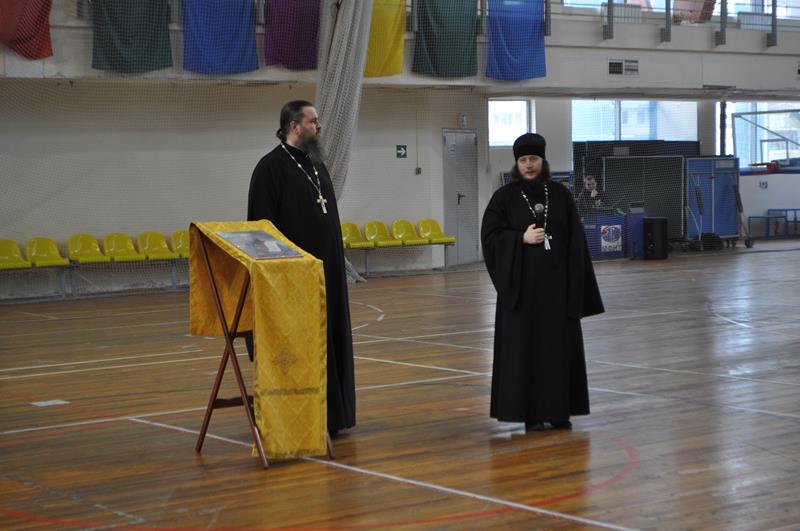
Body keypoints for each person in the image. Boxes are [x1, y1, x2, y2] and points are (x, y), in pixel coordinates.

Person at [481, 133, 604, 431]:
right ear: (516, 164)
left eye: (533, 159)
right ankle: (531, 415)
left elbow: (576, 243)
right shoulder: (503, 198)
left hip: (557, 292)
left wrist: (577, 288)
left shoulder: (560, 195)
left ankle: (560, 412)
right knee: (526, 354)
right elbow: (490, 238)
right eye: (523, 160)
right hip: (522, 293)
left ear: (543, 161)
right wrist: (519, 238)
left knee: (557, 354)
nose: (528, 165)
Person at [247, 100, 355, 438]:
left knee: (332, 338)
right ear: (294, 126)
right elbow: (261, 231)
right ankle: (301, 417)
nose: (318, 126)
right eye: (313, 121)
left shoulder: (317, 164)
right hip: (294, 280)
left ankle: (333, 416)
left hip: (328, 273)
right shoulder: (269, 169)